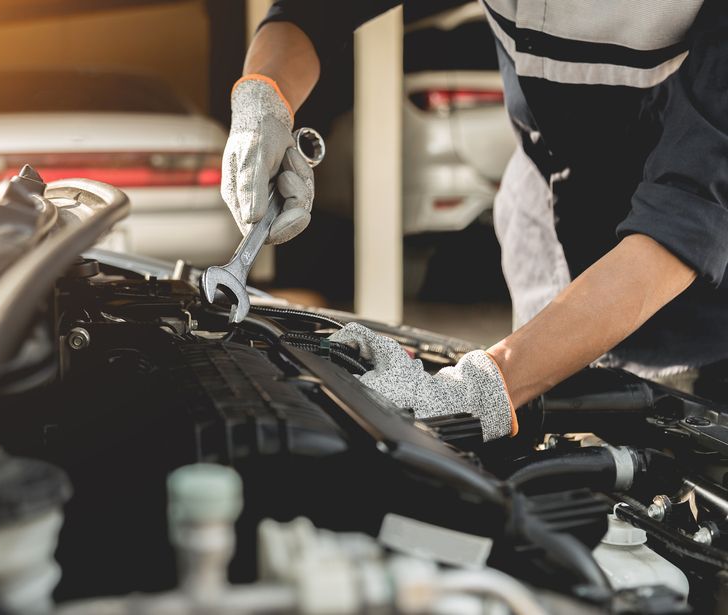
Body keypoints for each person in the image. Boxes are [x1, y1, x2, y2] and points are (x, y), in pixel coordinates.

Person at [220, 1, 728, 441]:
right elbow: (313, 13)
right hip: (547, 216)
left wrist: (482, 388)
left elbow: (686, 213)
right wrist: (262, 100)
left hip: (694, 285)